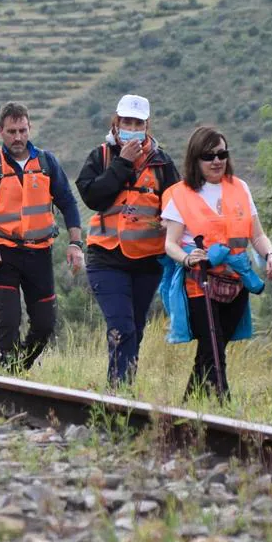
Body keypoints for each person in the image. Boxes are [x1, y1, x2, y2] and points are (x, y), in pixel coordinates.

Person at [160, 126, 272, 398]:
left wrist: (271, 254)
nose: (216, 161)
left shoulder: (241, 189)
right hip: (199, 283)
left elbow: (257, 234)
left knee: (212, 351)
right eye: (208, 155)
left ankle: (189, 409)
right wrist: (188, 258)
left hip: (236, 283)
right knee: (213, 348)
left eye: (221, 154)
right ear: (195, 159)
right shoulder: (180, 194)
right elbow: (170, 244)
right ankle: (224, 405)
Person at [0, 101, 84, 372]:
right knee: (8, 321)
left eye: (22, 130)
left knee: (45, 325)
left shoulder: (46, 162)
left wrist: (76, 243)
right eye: (11, 131)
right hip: (4, 255)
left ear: (29, 128)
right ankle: (7, 374)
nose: (17, 137)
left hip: (40, 254)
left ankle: (18, 368)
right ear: (1, 132)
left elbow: (68, 203)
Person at [75, 94, 180, 387]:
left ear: (147, 126)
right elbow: (93, 196)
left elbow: (177, 205)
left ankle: (121, 390)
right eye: (126, 122)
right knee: (121, 326)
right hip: (106, 258)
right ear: (116, 123)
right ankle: (119, 392)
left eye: (138, 122)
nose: (132, 127)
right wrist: (122, 164)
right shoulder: (101, 156)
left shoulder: (162, 163)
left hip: (147, 261)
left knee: (135, 327)